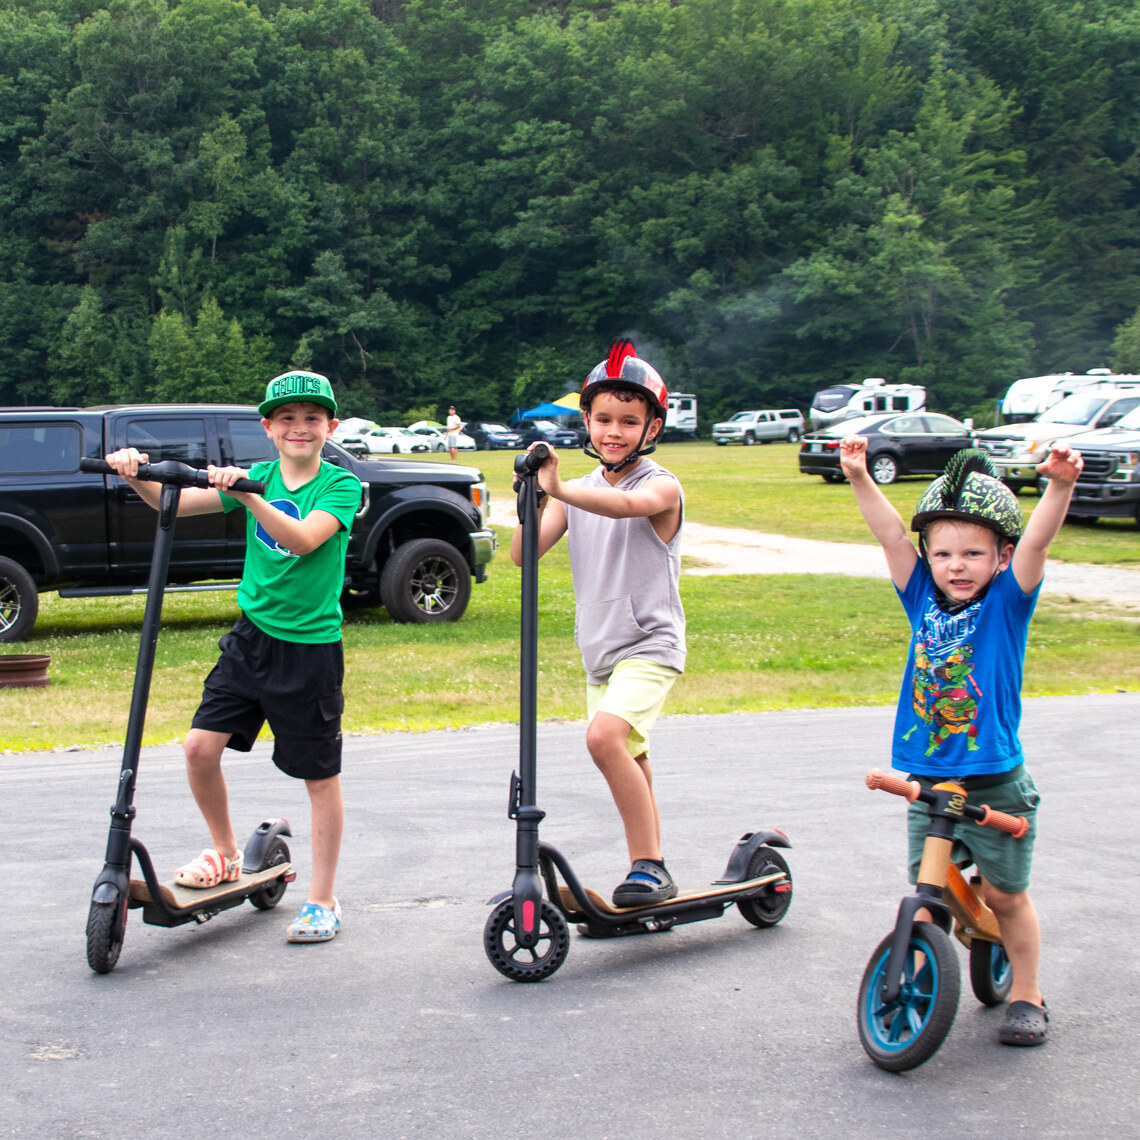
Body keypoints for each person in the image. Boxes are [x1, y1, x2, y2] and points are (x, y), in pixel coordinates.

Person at [839, 436, 1084, 1046]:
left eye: (973, 553)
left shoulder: (1007, 601)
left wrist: (1059, 486)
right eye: (944, 552)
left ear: (1000, 557)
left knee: (1006, 896)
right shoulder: (920, 595)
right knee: (926, 898)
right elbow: (893, 538)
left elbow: (1039, 541)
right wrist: (858, 476)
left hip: (995, 780)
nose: (956, 565)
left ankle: (1026, 993)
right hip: (927, 781)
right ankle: (918, 981)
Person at [104, 370, 362, 943]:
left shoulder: (340, 487)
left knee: (318, 777)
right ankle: (224, 852)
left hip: (310, 651)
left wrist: (249, 494)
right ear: (268, 428)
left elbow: (300, 538)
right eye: (287, 419)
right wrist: (136, 472)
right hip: (251, 640)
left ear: (331, 427)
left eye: (312, 418)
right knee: (199, 747)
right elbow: (175, 502)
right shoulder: (261, 475)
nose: (300, 428)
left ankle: (322, 898)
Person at [510, 340, 685, 906]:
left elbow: (626, 507)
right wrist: (533, 498)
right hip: (601, 651)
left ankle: (649, 864)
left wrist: (562, 489)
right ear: (585, 421)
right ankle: (649, 862)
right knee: (630, 752)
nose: (615, 431)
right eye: (604, 418)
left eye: (630, 421)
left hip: (649, 643)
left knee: (604, 739)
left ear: (652, 426)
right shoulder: (576, 492)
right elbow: (522, 554)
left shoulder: (661, 486)